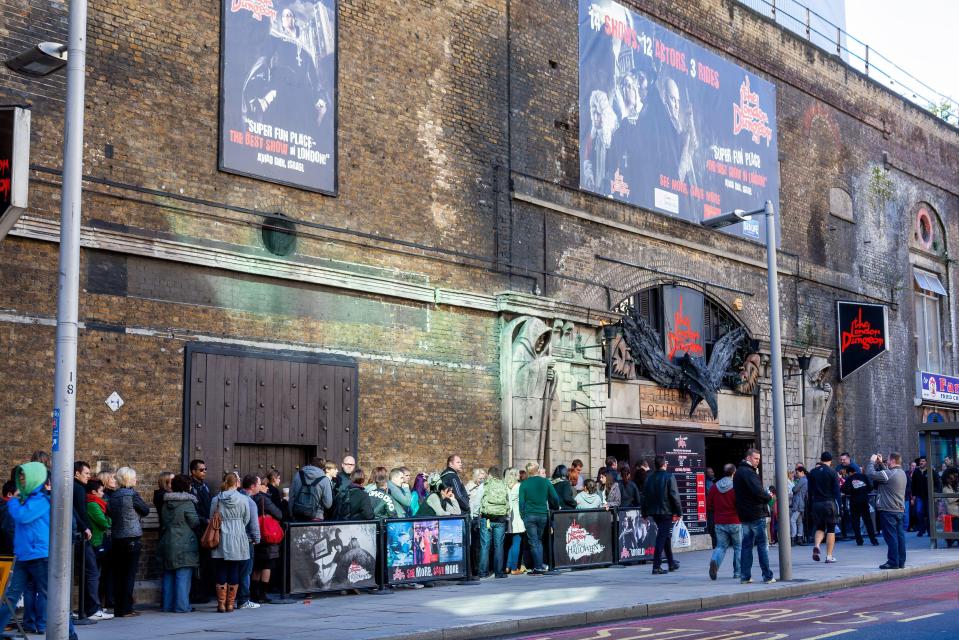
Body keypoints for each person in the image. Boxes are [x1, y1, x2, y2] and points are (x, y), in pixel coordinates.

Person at [0, 462, 79, 640]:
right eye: (19, 477)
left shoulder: (42, 500)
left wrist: (12, 500)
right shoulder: (25, 499)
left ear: (35, 478)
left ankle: (70, 633)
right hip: (23, 556)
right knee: (11, 596)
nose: (21, 480)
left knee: (52, 598)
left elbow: (23, 516)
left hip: (40, 556)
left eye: (24, 476)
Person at [210, 473, 257, 613]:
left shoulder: (216, 499)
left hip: (221, 536)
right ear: (236, 482)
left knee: (221, 568)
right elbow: (246, 519)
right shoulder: (243, 499)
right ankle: (230, 604)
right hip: (238, 536)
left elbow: (212, 517)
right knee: (235, 569)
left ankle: (221, 604)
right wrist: (237, 526)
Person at [109, 466, 151, 617]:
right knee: (129, 574)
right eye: (134, 477)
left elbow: (109, 512)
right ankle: (126, 609)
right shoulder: (132, 494)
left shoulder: (113, 495)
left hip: (116, 537)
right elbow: (145, 510)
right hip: (132, 537)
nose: (136, 480)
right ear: (128, 479)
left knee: (119, 574)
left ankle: (118, 608)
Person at [158, 474, 200, 613]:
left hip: (168, 540)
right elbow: (194, 522)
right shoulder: (187, 503)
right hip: (184, 542)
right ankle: (182, 606)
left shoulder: (166, 502)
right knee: (183, 574)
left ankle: (167, 605)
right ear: (186, 487)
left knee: (169, 574)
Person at [733, 448, 775, 584]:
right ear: (749, 458)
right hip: (756, 513)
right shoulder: (749, 473)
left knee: (746, 546)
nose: (758, 461)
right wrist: (769, 497)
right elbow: (758, 491)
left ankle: (745, 576)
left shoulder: (738, 472)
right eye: (756, 458)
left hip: (744, 515)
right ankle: (767, 576)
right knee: (762, 545)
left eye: (759, 458)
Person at [72, 461, 104, 620]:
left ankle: (86, 608)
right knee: (91, 571)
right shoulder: (77, 489)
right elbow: (78, 512)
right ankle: (92, 609)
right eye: (86, 473)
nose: (88, 476)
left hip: (78, 534)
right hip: (81, 536)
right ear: (77, 473)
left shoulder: (76, 487)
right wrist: (85, 527)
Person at [642, 456, 681, 575]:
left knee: (665, 536)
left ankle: (671, 563)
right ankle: (656, 566)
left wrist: (644, 512)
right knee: (661, 537)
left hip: (654, 512)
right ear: (664, 464)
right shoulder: (669, 476)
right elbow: (674, 495)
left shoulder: (649, 478)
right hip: (666, 512)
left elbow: (644, 496)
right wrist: (679, 511)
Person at [867, 453, 907, 569]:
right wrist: (881, 464)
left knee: (891, 537)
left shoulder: (890, 474)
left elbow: (870, 474)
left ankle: (893, 562)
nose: (887, 462)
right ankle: (900, 561)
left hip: (888, 510)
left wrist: (872, 461)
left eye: (888, 460)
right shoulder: (901, 473)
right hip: (898, 510)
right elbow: (887, 476)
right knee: (900, 537)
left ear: (893, 461)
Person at [519, 462, 558, 575]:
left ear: (528, 471)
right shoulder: (546, 482)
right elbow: (555, 497)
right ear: (537, 470)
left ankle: (538, 567)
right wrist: (555, 507)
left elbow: (521, 503)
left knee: (533, 541)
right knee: (538, 540)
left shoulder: (524, 484)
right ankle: (539, 566)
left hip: (529, 515)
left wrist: (523, 515)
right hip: (542, 514)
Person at [252, 477, 284, 603]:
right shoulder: (263, 499)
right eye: (264, 485)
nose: (267, 487)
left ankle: (253, 593)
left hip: (256, 535)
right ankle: (263, 594)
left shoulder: (251, 498)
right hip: (267, 536)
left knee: (257, 566)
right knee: (267, 565)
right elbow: (279, 514)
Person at [707, 463, 741, 581]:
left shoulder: (715, 487)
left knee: (720, 546)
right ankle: (738, 572)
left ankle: (715, 561)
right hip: (735, 521)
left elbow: (709, 505)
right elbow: (739, 504)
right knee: (738, 547)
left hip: (719, 521)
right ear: (734, 472)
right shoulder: (736, 486)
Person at [84, 479, 113, 618]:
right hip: (95, 542)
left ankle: (95, 606)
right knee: (94, 575)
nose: (103, 493)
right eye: (101, 491)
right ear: (94, 492)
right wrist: (109, 519)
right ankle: (93, 608)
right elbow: (104, 522)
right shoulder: (93, 505)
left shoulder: (97, 503)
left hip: (97, 541)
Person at [188, 459, 213, 605]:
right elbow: (193, 510)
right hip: (198, 528)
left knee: (205, 563)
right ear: (193, 471)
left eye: (205, 469)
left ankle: (203, 592)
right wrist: (204, 520)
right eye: (201, 470)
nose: (204, 472)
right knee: (198, 563)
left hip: (206, 528)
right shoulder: (192, 487)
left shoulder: (205, 487)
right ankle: (196, 593)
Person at [808, 452, 841, 563]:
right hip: (829, 503)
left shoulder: (813, 472)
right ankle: (829, 556)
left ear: (821, 459)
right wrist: (839, 507)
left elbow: (809, 491)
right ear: (830, 461)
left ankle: (817, 546)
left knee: (820, 527)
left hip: (816, 503)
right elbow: (837, 491)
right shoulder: (832, 472)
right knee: (831, 529)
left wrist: (810, 506)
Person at [236, 475, 263, 610]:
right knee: (246, 571)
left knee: (235, 569)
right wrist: (257, 539)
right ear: (252, 486)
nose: (260, 486)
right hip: (246, 539)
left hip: (233, 539)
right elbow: (254, 525)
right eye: (258, 484)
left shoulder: (235, 497)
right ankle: (243, 599)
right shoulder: (249, 502)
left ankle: (231, 599)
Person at [478, 465, 509, 579]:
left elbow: (478, 501)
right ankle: (499, 572)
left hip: (487, 518)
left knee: (485, 545)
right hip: (500, 519)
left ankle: (483, 572)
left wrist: (477, 515)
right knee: (499, 545)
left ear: (489, 474)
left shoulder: (484, 485)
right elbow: (508, 502)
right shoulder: (504, 485)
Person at [841, 465, 879, 546]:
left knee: (855, 522)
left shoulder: (849, 478)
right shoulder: (863, 476)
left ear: (850, 473)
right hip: (864, 501)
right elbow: (870, 487)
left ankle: (859, 540)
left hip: (854, 502)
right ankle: (873, 540)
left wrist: (851, 492)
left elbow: (844, 489)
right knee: (868, 521)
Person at [290, 456, 333, 522]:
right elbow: (328, 504)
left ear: (310, 464)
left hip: (298, 516)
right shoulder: (325, 480)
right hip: (316, 517)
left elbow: (292, 497)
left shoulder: (298, 475)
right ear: (323, 468)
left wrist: (291, 514)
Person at [504, 468, 528, 575]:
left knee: (511, 543)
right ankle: (514, 568)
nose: (519, 475)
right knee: (516, 543)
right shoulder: (519, 486)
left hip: (508, 516)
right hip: (517, 516)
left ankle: (507, 566)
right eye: (518, 474)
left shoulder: (505, 486)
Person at [911, 456, 931, 536]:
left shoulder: (930, 471)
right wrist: (913, 496)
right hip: (919, 496)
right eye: (920, 461)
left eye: (923, 461)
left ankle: (930, 530)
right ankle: (921, 530)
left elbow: (937, 482)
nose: (921, 462)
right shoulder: (916, 472)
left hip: (928, 496)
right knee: (919, 513)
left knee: (929, 513)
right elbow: (913, 484)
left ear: (926, 462)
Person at [790, 466, 808, 546]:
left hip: (798, 503)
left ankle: (793, 538)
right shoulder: (805, 480)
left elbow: (794, 489)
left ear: (802, 472)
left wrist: (794, 485)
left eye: (797, 473)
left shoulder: (802, 480)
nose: (796, 474)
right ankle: (799, 538)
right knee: (799, 522)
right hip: (801, 502)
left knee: (792, 520)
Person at [705, 467, 717, 549]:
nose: (712, 473)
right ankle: (714, 544)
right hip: (711, 509)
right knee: (712, 526)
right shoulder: (708, 483)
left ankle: (715, 543)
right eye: (710, 472)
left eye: (712, 472)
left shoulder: (712, 482)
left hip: (713, 508)